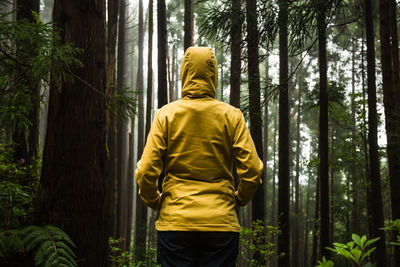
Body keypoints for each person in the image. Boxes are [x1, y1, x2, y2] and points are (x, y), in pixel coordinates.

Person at [135, 47, 263, 267]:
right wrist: (238, 199)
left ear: (185, 72)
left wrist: (154, 200)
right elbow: (252, 169)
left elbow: (146, 169)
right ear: (213, 74)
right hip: (221, 224)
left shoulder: (166, 114)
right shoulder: (231, 116)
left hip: (175, 222)